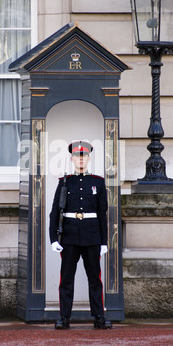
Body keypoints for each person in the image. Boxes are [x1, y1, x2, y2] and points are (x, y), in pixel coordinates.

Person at [49, 140, 112, 329]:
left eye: (84, 156)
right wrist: (53, 239)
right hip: (69, 236)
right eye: (77, 156)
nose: (81, 159)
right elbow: (55, 212)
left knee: (95, 278)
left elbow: (102, 214)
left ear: (89, 158)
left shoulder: (98, 182)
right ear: (72, 159)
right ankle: (64, 317)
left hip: (92, 236)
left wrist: (103, 241)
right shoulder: (65, 182)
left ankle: (99, 316)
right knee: (66, 278)